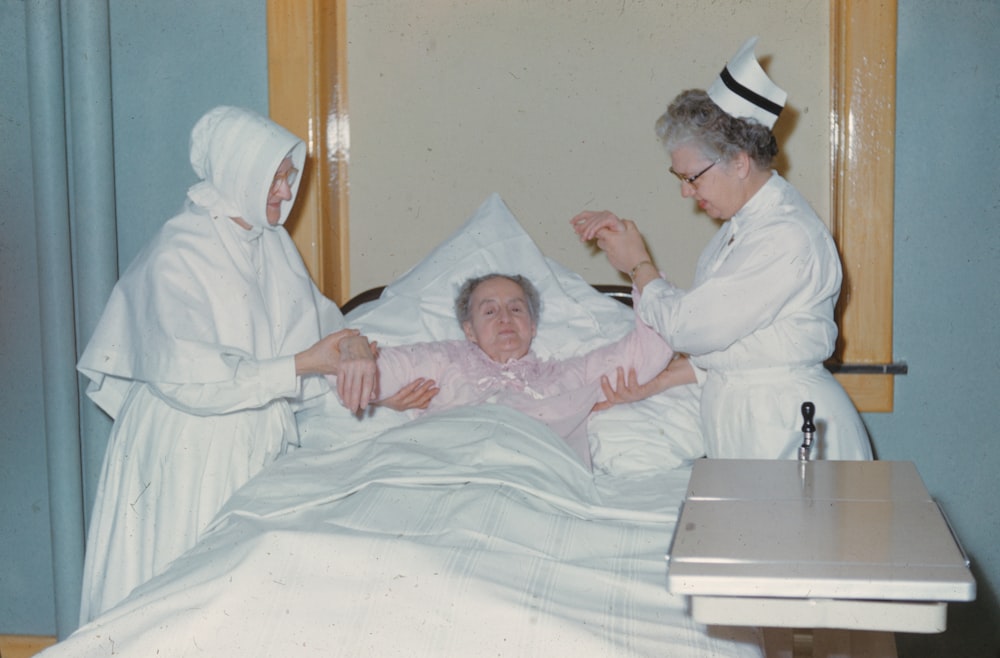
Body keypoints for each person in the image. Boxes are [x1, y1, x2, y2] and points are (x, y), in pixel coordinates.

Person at [76, 106, 381, 623]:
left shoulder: (272, 245)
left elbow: (320, 325)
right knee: (172, 598)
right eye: (276, 180)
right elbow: (191, 377)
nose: (287, 193)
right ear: (241, 171)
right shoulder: (180, 248)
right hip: (187, 447)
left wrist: (351, 349)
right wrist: (308, 361)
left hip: (247, 440)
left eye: (288, 178)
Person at [571, 37, 872, 461]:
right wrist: (651, 385)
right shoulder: (736, 232)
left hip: (783, 425)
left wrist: (638, 264)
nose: (684, 191)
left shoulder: (786, 235)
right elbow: (730, 348)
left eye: (692, 177)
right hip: (747, 423)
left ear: (740, 162)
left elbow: (691, 327)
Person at [331, 273, 683, 469]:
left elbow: (648, 350)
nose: (504, 319)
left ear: (531, 326)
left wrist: (638, 266)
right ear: (469, 330)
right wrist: (354, 347)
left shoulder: (568, 375)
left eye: (516, 309)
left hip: (535, 478)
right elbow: (363, 372)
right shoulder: (442, 361)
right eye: (489, 311)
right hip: (445, 469)